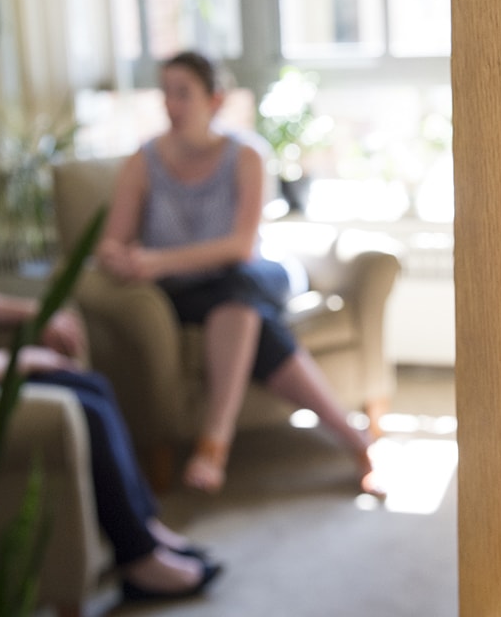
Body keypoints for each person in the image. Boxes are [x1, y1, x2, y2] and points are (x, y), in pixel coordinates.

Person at [0, 105, 222, 604]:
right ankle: (140, 558)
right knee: (84, 404)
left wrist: (35, 313)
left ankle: (145, 530)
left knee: (93, 387)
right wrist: (33, 360)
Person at [97, 50, 383, 497]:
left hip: (254, 272)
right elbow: (110, 244)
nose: (171, 105)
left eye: (183, 94)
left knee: (239, 288)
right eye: (166, 94)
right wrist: (122, 259)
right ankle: (357, 444)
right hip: (190, 292)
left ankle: (214, 443)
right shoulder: (143, 161)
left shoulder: (246, 154)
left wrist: (157, 261)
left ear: (215, 100)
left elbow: (241, 247)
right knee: (250, 320)